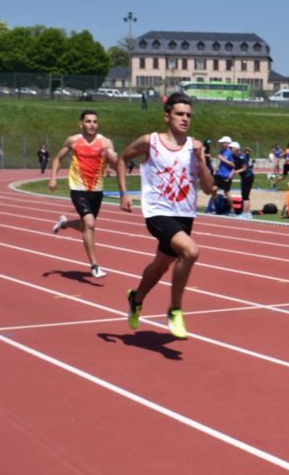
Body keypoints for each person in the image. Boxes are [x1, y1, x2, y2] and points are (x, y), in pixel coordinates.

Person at [116, 92, 214, 339]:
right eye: (180, 114)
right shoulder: (151, 142)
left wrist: (201, 160)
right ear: (167, 116)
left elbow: (209, 188)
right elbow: (121, 158)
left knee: (159, 267)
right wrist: (124, 193)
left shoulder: (194, 146)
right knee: (190, 251)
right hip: (157, 213)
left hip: (184, 215)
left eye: (189, 115)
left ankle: (135, 299)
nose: (185, 119)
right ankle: (175, 310)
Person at [49, 110, 120, 279]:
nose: (92, 124)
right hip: (78, 188)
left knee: (85, 225)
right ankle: (94, 266)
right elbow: (58, 159)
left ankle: (65, 224)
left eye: (95, 121)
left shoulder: (105, 142)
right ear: (81, 124)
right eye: (88, 121)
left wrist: (113, 158)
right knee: (89, 224)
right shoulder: (74, 141)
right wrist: (53, 178)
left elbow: (116, 163)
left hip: (96, 190)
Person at [211, 136, 235, 213]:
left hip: (226, 175)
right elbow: (221, 163)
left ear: (227, 144)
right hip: (219, 174)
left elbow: (233, 165)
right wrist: (216, 169)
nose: (221, 144)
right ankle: (215, 207)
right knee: (213, 189)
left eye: (222, 143)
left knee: (226, 192)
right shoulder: (222, 152)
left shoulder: (231, 153)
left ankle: (232, 209)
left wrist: (223, 159)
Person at [236, 146, 255, 218]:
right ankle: (248, 213)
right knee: (246, 195)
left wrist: (235, 172)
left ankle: (244, 213)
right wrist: (246, 150)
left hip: (247, 176)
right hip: (247, 176)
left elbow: (244, 168)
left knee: (245, 196)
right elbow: (244, 154)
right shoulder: (241, 156)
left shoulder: (241, 157)